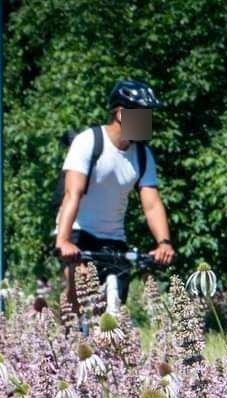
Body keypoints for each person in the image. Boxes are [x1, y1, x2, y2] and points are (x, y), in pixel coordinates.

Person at [55, 79, 175, 314]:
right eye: (143, 114)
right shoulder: (89, 141)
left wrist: (164, 243)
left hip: (114, 239)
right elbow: (72, 194)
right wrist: (64, 240)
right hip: (78, 231)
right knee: (76, 295)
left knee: (114, 311)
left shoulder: (142, 154)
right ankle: (66, 342)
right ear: (120, 113)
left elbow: (151, 204)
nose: (147, 121)